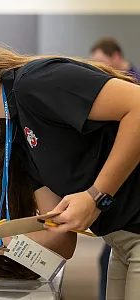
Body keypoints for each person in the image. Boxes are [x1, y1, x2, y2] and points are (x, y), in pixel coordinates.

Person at [0, 38, 140, 299]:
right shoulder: (17, 134)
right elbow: (58, 240)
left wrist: (97, 195)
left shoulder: (36, 81)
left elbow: (138, 105)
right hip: (120, 241)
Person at [90, 37, 140, 300]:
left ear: (117, 56)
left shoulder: (133, 84)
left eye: (102, 61)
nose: (99, 68)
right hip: (120, 188)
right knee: (110, 254)